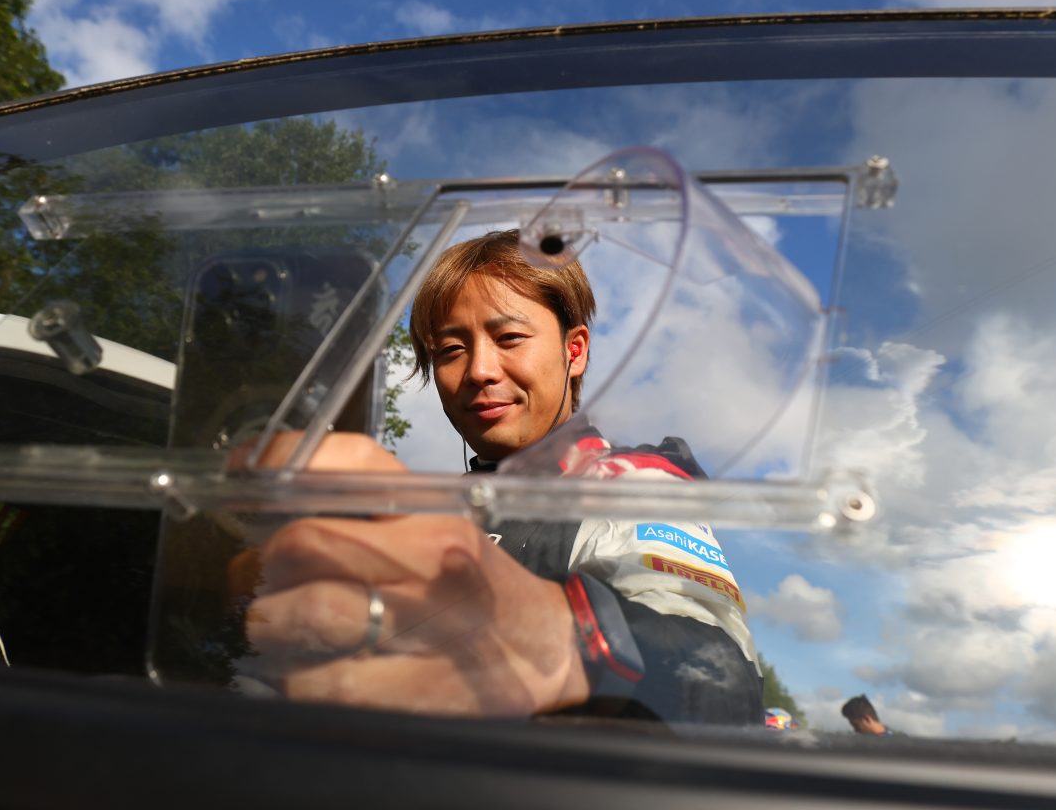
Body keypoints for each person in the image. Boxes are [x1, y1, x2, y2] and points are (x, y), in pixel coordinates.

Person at [243, 229, 762, 723]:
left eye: (509, 337)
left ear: (574, 350)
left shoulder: (629, 484)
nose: (479, 370)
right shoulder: (434, 510)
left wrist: (549, 638)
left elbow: (720, 682)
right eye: (450, 350)